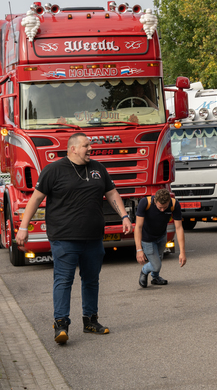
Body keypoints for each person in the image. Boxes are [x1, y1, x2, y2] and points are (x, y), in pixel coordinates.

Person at [15, 133, 133, 345]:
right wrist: (24, 227)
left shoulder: (98, 169)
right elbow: (35, 199)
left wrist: (124, 215)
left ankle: (90, 321)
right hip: (64, 237)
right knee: (63, 280)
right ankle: (61, 324)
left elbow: (112, 194)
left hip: (93, 237)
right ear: (73, 149)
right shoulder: (54, 170)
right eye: (86, 146)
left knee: (91, 279)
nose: (90, 149)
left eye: (90, 145)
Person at [135, 188, 187, 287]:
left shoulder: (174, 204)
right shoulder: (145, 203)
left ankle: (155, 277)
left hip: (162, 236)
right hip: (147, 239)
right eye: (160, 207)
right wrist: (139, 249)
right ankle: (144, 271)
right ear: (155, 201)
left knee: (159, 258)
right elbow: (138, 227)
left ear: (169, 202)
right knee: (156, 264)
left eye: (165, 207)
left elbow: (179, 228)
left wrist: (182, 252)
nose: (163, 210)